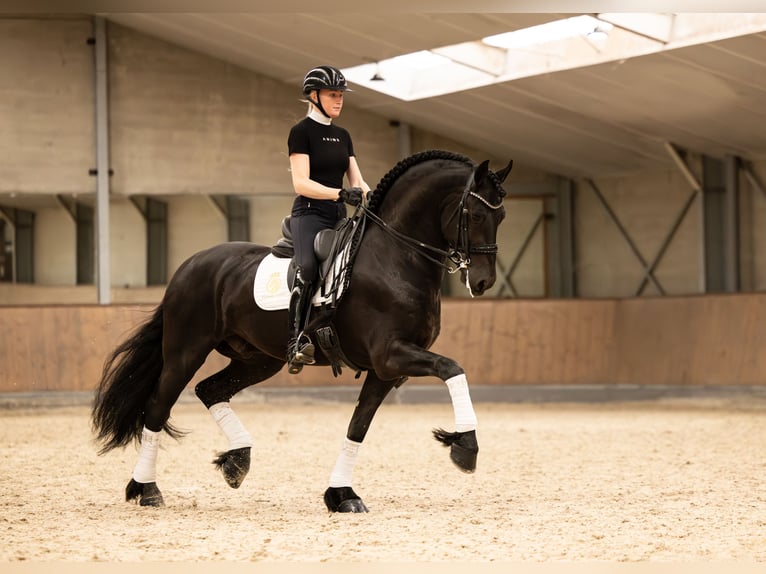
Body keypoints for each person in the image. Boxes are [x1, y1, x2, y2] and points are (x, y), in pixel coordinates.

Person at [286, 65, 370, 374]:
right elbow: (301, 183)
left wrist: (369, 195)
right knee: (307, 268)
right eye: (333, 95)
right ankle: (295, 342)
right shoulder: (301, 132)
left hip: (340, 217)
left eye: (341, 95)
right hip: (309, 215)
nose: (339, 101)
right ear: (313, 95)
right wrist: (339, 194)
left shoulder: (343, 135)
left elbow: (358, 181)